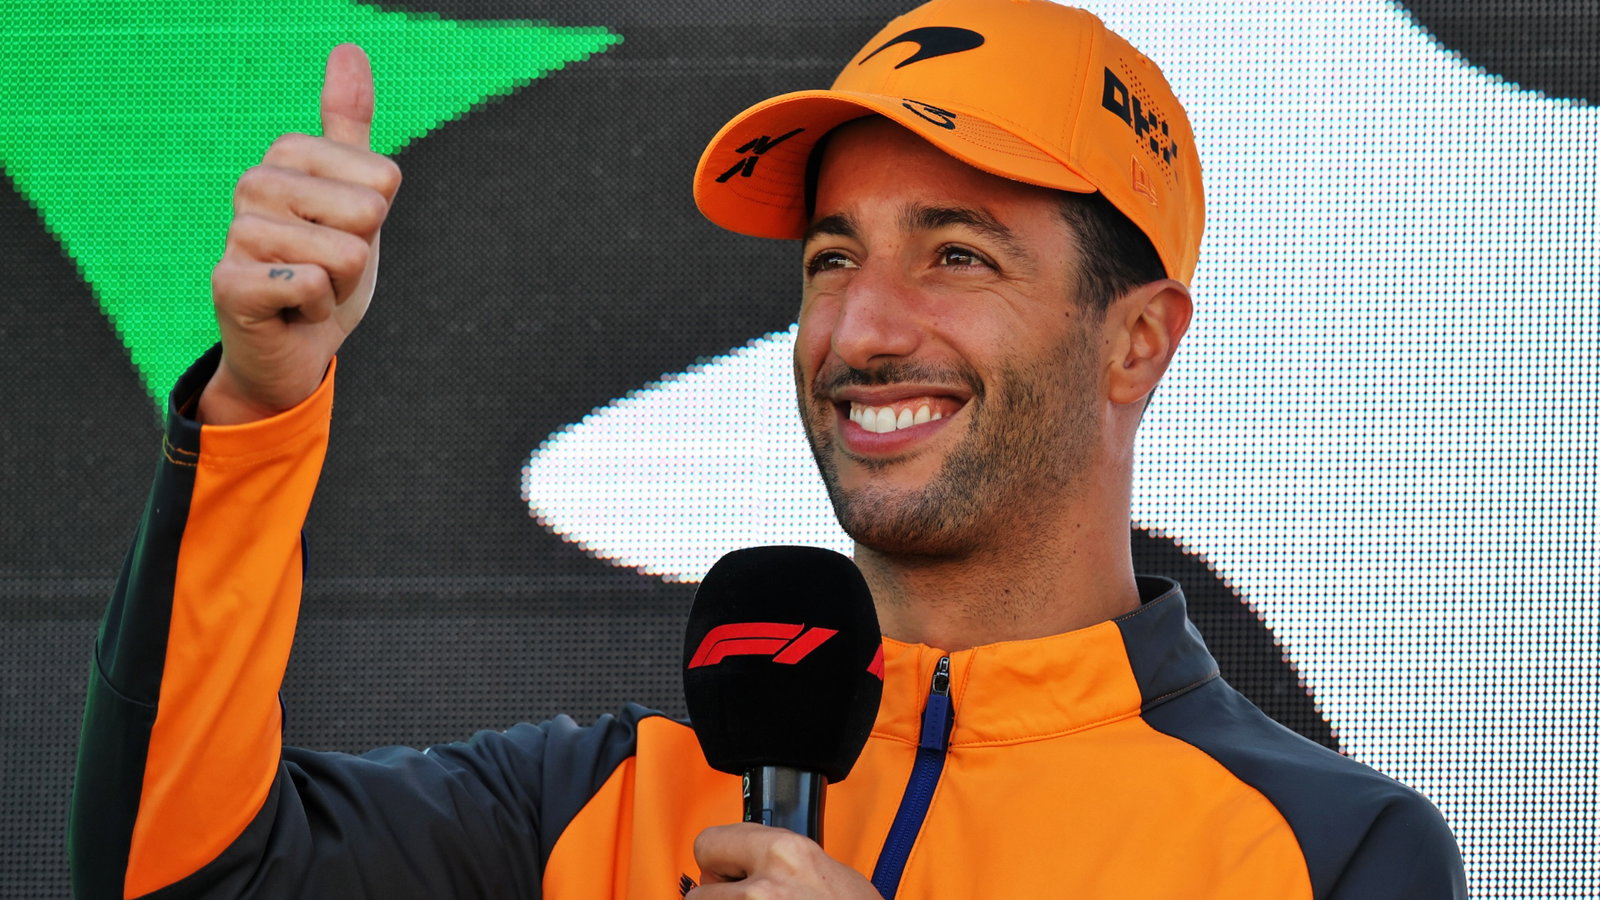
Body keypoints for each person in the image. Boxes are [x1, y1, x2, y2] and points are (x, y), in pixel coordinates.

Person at [70, 0, 1467, 897]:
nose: (860, 324)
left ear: (1137, 340)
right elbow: (173, 874)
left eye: (959, 254)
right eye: (828, 257)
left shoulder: (1333, 854)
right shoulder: (603, 801)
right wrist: (264, 397)